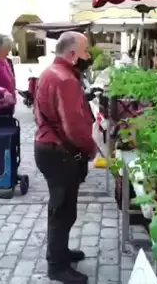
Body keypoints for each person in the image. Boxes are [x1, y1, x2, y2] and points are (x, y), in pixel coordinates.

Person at [33, 31, 96, 284]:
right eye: (85, 51)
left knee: (62, 208)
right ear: (72, 54)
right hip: (59, 152)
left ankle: (61, 252)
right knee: (63, 210)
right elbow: (74, 128)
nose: (88, 56)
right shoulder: (65, 79)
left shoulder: (51, 72)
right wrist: (88, 149)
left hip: (49, 148)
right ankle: (57, 266)